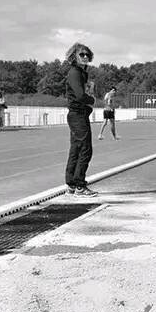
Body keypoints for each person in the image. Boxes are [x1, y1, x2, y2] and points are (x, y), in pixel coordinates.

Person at [64, 42, 98, 197]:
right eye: (81, 54)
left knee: (76, 149)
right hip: (77, 114)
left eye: (87, 54)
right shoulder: (75, 73)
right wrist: (91, 100)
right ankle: (79, 185)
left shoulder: (81, 73)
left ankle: (71, 184)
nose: (85, 57)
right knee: (85, 149)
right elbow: (79, 95)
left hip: (79, 114)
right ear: (74, 56)